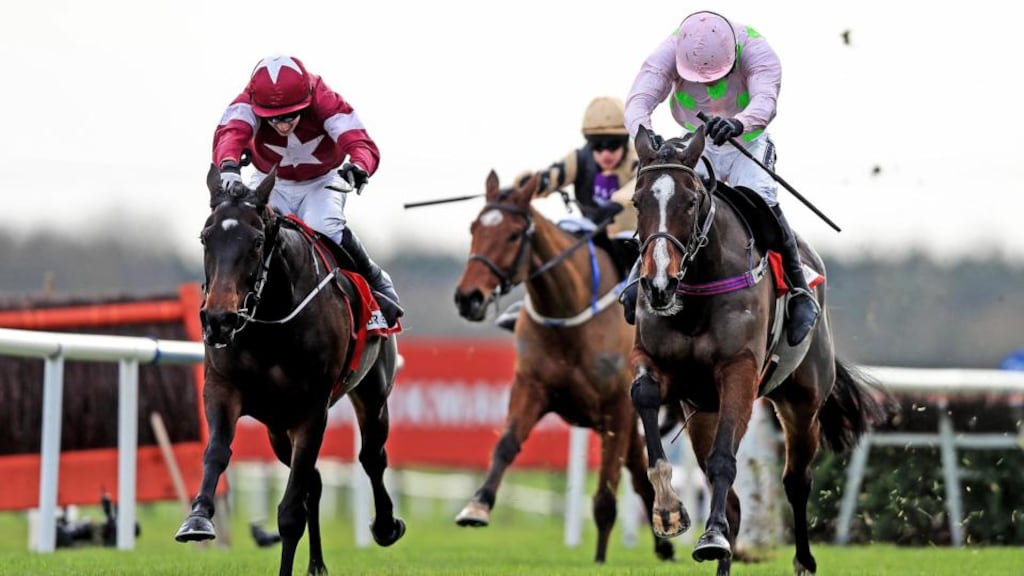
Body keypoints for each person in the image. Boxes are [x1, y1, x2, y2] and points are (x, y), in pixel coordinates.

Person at [621, 11, 819, 345]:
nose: (709, 85)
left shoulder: (758, 51)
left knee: (762, 199)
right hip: (696, 142)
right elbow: (638, 100)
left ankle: (800, 291)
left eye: (717, 76)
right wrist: (646, 134)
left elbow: (766, 101)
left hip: (748, 142)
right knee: (668, 200)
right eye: (699, 78)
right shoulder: (666, 53)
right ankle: (635, 279)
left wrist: (739, 123)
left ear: (733, 57)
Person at [212, 55, 402, 325]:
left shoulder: (324, 98)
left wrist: (359, 166)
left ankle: (376, 281)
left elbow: (360, 142)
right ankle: (224, 300)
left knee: (324, 225)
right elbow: (229, 134)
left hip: (321, 181)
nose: (283, 124)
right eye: (273, 118)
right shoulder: (245, 103)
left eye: (291, 115)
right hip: (271, 179)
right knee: (245, 230)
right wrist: (229, 165)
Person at [494, 96, 638, 332]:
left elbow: (641, 183)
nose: (605, 153)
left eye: (613, 144)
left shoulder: (636, 161)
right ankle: (529, 305)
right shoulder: (579, 159)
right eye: (597, 146)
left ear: (625, 142)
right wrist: (523, 187)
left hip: (629, 236)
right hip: (592, 229)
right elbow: (552, 176)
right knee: (552, 242)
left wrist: (617, 203)